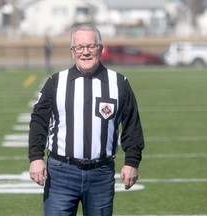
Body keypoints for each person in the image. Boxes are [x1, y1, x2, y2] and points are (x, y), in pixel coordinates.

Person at [28, 24, 144, 216]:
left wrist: (132, 161)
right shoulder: (56, 82)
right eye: (79, 47)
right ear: (72, 51)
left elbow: (132, 124)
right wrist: (35, 158)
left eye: (91, 46)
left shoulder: (119, 83)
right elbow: (38, 121)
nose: (86, 52)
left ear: (100, 48)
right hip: (60, 173)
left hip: (101, 173)